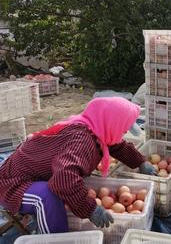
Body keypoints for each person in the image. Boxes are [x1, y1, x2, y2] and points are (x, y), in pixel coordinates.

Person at [0, 97, 156, 233]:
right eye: (123, 128)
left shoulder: (93, 128)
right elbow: (63, 179)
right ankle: (56, 240)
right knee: (47, 197)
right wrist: (90, 208)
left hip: (31, 173)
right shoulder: (82, 142)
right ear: (111, 123)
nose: (123, 133)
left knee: (67, 188)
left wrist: (140, 161)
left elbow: (116, 145)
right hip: (12, 183)